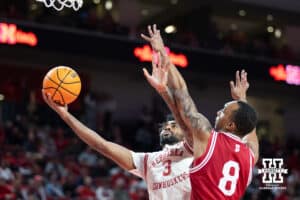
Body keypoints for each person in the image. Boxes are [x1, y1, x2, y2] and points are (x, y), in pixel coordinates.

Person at [142, 24, 259, 200]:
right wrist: (241, 100)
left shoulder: (207, 137)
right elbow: (250, 131)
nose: (219, 111)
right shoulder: (250, 156)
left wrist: (162, 52)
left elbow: (182, 94)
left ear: (230, 124)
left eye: (224, 111)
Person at [42, 93, 193, 199]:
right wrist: (66, 116)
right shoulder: (148, 161)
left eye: (173, 125)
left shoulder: (196, 151)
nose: (167, 128)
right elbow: (102, 145)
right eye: (165, 125)